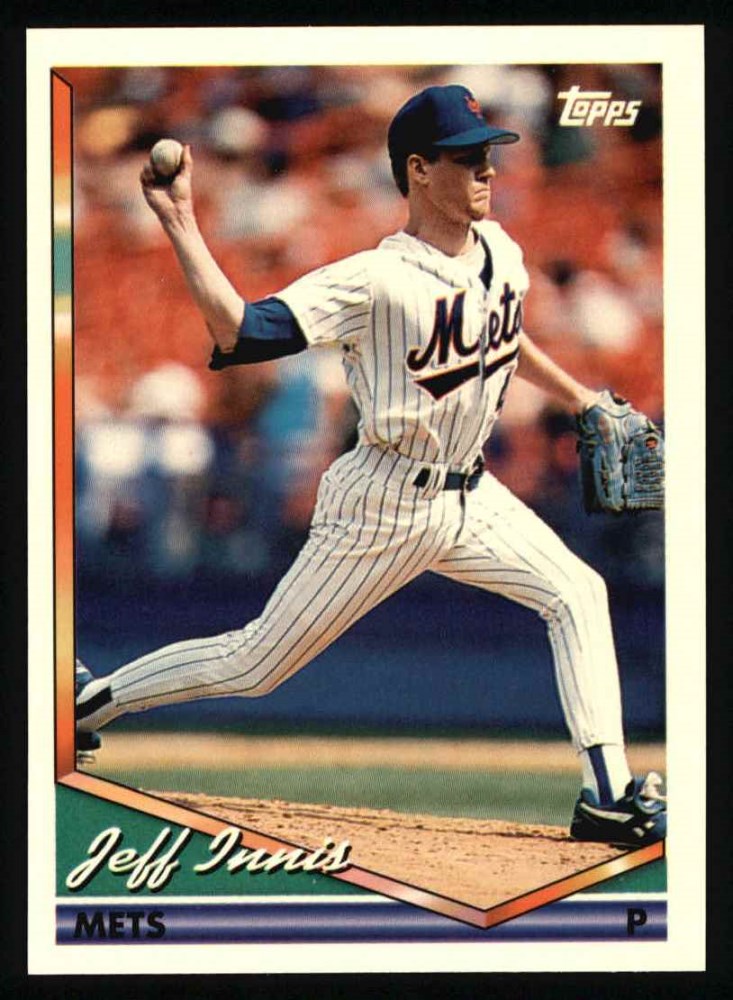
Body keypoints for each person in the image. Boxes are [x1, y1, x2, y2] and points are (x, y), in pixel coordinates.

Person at [76, 85, 666, 846]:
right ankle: (90, 704)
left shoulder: (501, 251)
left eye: (487, 154)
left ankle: (606, 795)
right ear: (418, 170)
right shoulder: (374, 278)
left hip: (471, 494)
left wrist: (581, 396)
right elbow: (242, 331)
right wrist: (180, 219)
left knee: (577, 592)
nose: (486, 169)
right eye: (466, 158)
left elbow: (504, 338)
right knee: (255, 665)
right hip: (383, 501)